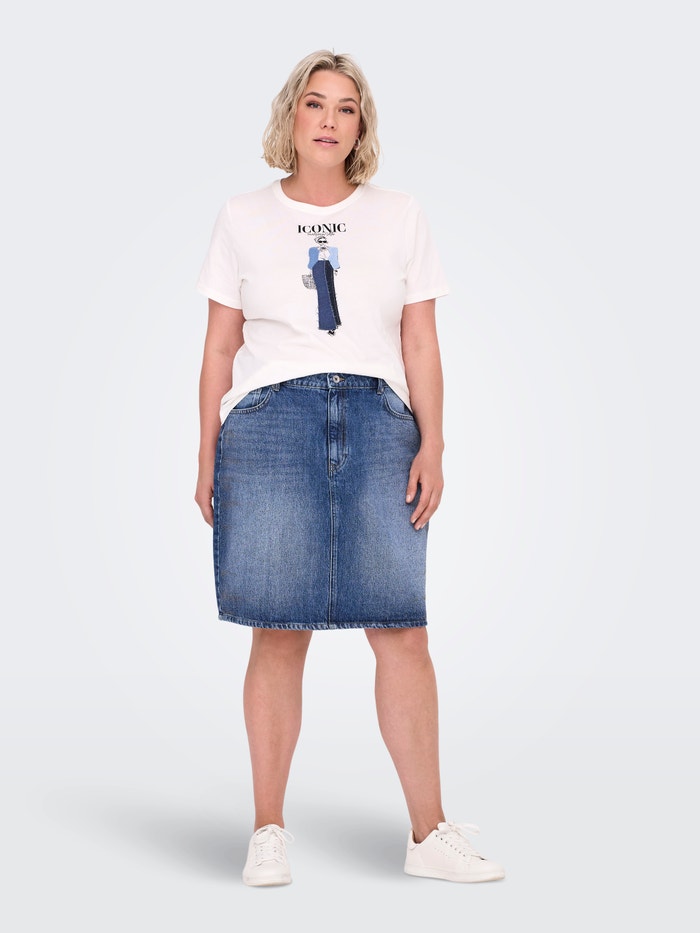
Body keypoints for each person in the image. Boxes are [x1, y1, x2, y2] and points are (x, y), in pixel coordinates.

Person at [194, 50, 505, 887]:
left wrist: (433, 442)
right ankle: (267, 830)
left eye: (346, 107)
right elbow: (220, 346)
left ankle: (428, 832)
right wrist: (206, 451)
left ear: (361, 125)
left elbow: (420, 341)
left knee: (401, 626)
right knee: (276, 627)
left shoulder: (399, 215)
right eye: (314, 103)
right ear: (290, 116)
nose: (329, 119)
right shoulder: (242, 216)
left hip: (377, 422)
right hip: (269, 423)